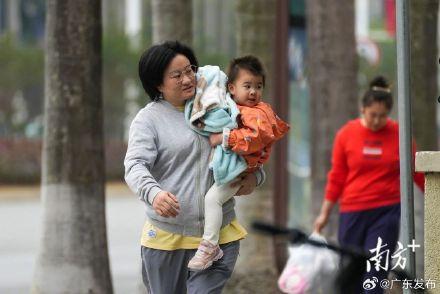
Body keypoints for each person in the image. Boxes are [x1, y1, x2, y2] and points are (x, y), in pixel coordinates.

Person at [124, 41, 265, 294]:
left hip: (218, 239)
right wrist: (154, 193)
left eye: (190, 70)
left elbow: (252, 150)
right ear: (158, 84)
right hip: (167, 240)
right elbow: (135, 165)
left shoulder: (223, 107)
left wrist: (255, 179)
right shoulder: (148, 120)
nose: (188, 79)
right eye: (176, 75)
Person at [313, 76, 425, 294]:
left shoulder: (400, 135)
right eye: (373, 115)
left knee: (376, 272)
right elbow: (337, 176)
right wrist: (324, 213)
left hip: (387, 212)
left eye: (382, 117)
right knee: (350, 273)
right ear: (362, 109)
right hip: (353, 212)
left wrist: (434, 195)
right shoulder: (346, 134)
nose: (376, 121)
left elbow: (416, 173)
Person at [187, 55, 290, 270]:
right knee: (213, 199)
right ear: (231, 88)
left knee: (213, 199)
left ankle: (209, 245)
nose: (253, 92)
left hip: (241, 167)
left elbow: (254, 138)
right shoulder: (235, 107)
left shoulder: (257, 112)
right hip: (240, 164)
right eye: (248, 86)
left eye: (258, 86)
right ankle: (210, 243)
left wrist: (225, 137)